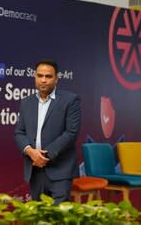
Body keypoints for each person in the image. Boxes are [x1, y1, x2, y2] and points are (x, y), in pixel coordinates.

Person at [14, 59, 81, 205]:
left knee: (58, 218)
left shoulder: (70, 100)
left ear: (56, 78)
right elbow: (19, 132)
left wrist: (44, 156)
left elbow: (71, 133)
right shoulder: (26, 102)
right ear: (35, 77)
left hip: (60, 170)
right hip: (35, 170)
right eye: (40, 76)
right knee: (39, 216)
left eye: (48, 76)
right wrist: (30, 152)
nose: (43, 80)